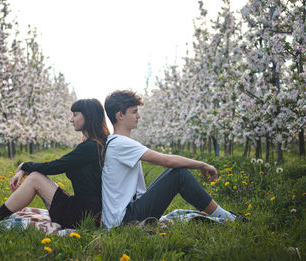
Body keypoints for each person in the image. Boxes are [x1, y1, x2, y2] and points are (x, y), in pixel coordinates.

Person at [101, 90, 242, 229]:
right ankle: (229, 218)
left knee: (174, 173)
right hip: (125, 220)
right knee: (179, 175)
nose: (139, 116)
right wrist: (202, 164)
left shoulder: (115, 142)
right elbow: (167, 160)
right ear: (120, 115)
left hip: (123, 217)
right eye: (134, 112)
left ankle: (225, 215)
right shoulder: (120, 143)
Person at [0, 99, 110, 228]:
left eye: (75, 114)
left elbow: (56, 166)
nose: (71, 120)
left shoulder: (90, 147)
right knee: (36, 176)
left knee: (35, 178)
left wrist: (24, 166)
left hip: (82, 216)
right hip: (88, 210)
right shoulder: (97, 144)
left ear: (88, 116)